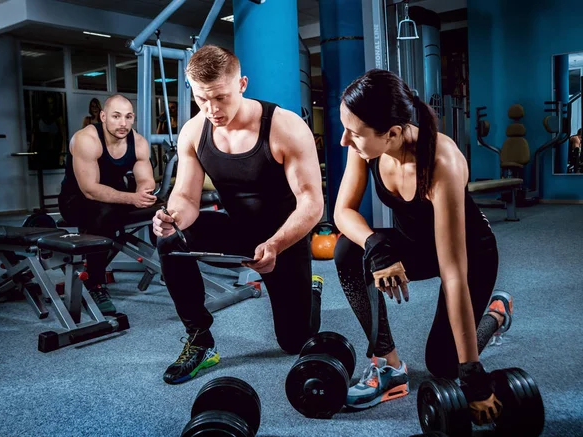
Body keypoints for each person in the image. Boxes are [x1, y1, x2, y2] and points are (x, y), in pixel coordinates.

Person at [332, 69, 514, 425]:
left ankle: (495, 314)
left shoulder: (439, 162)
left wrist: (473, 375)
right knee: (348, 250)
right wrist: (376, 247)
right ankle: (388, 365)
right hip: (415, 246)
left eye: (353, 133)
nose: (343, 140)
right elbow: (342, 211)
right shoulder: (365, 143)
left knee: (445, 366)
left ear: (394, 133)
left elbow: (454, 272)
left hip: (469, 255)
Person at [152, 45, 324, 385]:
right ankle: (200, 339)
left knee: (294, 342)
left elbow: (311, 203)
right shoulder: (194, 131)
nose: (211, 109)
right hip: (238, 230)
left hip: (284, 239)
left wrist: (275, 244)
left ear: (242, 84)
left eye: (220, 97)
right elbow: (186, 196)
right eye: (202, 98)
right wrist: (172, 216)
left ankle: (311, 291)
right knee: (169, 238)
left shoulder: (284, 127)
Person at [59, 94, 157, 315]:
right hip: (76, 201)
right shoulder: (86, 139)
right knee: (104, 212)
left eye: (128, 117)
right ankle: (95, 283)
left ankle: (168, 265)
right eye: (116, 116)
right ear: (103, 116)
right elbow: (90, 189)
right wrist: (132, 198)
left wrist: (144, 193)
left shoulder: (138, 142)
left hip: (116, 197)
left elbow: (146, 179)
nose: (123, 123)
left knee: (157, 207)